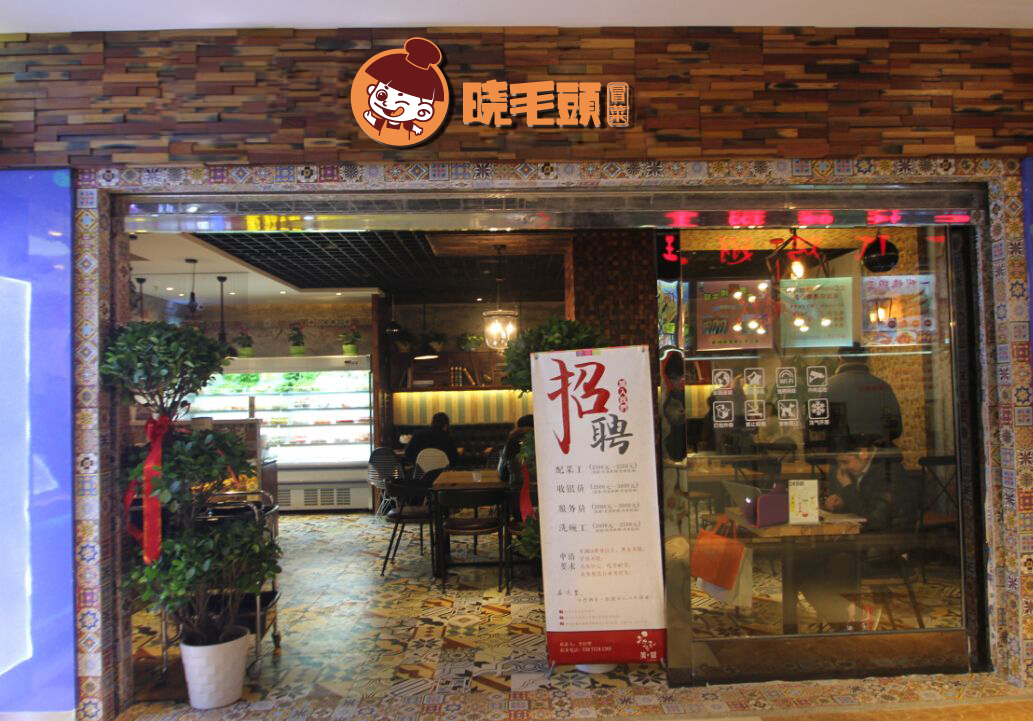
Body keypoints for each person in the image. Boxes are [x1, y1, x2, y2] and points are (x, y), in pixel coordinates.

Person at [796, 436, 918, 631]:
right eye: (839, 463)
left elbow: (875, 519)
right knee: (800, 562)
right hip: (864, 542)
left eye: (846, 462)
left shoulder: (889, 472)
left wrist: (847, 488)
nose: (843, 468)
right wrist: (840, 501)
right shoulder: (862, 469)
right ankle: (851, 620)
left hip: (886, 548)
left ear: (864, 453)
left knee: (835, 562)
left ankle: (849, 624)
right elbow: (862, 506)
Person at [826, 345, 903, 447]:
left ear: (840, 359)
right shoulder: (882, 386)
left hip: (840, 450)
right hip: (876, 449)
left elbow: (815, 425)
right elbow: (897, 429)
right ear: (866, 358)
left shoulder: (827, 385)